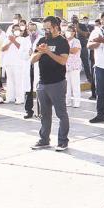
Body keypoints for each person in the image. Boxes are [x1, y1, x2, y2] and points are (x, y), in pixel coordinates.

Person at [30, 16, 71, 151]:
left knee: (61, 113)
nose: (46, 30)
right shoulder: (42, 40)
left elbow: (62, 61)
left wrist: (49, 52)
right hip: (43, 83)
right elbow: (32, 59)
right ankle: (44, 140)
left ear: (56, 27)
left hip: (57, 82)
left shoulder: (62, 42)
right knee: (45, 114)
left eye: (48, 28)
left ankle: (63, 141)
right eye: (44, 28)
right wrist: (41, 52)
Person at [2, 24, 31, 105]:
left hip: (18, 63)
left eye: (19, 29)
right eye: (15, 29)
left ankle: (20, 98)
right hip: (9, 62)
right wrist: (10, 41)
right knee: (10, 81)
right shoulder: (7, 39)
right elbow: (3, 49)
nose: (17, 31)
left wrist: (14, 41)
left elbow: (21, 49)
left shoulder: (23, 39)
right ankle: (10, 98)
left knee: (18, 81)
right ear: (12, 30)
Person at [72, 15, 96, 100]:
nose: (74, 20)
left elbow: (86, 35)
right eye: (72, 19)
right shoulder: (70, 27)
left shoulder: (82, 26)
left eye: (75, 18)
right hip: (73, 49)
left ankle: (89, 78)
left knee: (86, 64)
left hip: (83, 47)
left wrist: (78, 30)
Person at [24, 22, 41, 119]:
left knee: (39, 90)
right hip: (28, 67)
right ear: (27, 30)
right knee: (28, 90)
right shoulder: (25, 40)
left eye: (34, 30)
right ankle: (28, 111)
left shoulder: (41, 39)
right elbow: (20, 54)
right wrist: (28, 54)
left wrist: (34, 54)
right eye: (31, 30)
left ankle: (40, 112)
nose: (33, 32)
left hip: (38, 66)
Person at [64, 25, 83, 108]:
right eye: (67, 30)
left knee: (75, 85)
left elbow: (74, 50)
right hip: (65, 66)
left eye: (70, 31)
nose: (68, 32)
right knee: (66, 85)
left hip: (74, 66)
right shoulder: (64, 41)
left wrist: (63, 49)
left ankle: (76, 102)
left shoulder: (76, 41)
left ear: (74, 33)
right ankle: (67, 102)